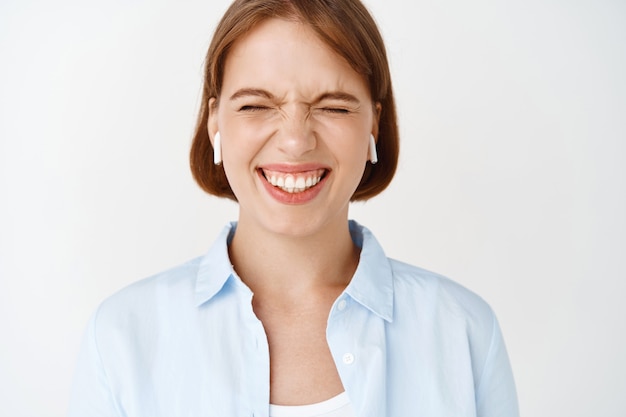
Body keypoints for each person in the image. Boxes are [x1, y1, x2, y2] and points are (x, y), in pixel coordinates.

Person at [68, 0, 519, 416]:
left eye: (334, 108)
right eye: (255, 105)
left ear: (373, 126)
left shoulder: (465, 334)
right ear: (214, 122)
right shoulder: (121, 339)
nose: (295, 140)